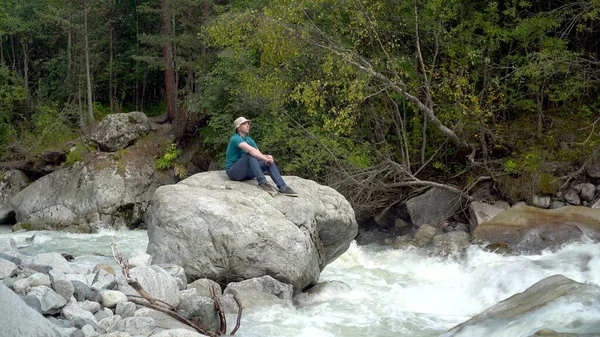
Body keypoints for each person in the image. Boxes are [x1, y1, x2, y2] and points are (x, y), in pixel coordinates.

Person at [225, 117, 298, 196]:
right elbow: (251, 151)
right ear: (238, 128)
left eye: (248, 124)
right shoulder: (235, 138)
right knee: (250, 155)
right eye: (244, 124)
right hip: (234, 172)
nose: (247, 125)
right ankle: (262, 183)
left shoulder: (249, 139)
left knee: (268, 162)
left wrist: (267, 157)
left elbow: (258, 154)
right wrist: (265, 158)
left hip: (246, 173)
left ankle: (283, 187)